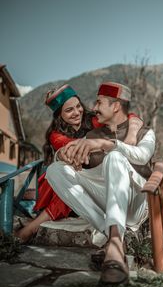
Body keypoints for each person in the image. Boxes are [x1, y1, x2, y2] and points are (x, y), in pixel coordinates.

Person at [46, 81, 156, 284]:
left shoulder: (145, 132)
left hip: (136, 205)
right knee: (54, 170)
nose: (93, 108)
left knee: (114, 158)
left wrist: (107, 145)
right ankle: (115, 241)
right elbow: (77, 161)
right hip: (109, 203)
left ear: (115, 106)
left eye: (99, 102)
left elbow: (141, 156)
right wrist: (63, 155)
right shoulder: (91, 135)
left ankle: (113, 242)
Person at [15, 84, 143, 242]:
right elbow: (73, 152)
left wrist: (131, 135)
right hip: (72, 178)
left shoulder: (95, 120)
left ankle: (29, 229)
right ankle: (31, 229)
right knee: (66, 180)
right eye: (69, 110)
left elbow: (130, 117)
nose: (77, 112)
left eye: (78, 106)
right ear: (59, 115)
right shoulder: (55, 135)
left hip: (97, 177)